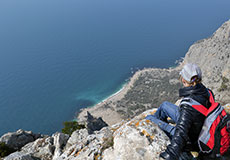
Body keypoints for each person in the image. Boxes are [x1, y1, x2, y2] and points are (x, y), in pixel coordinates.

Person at [145, 63, 218, 160]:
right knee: (164, 105)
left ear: (183, 80)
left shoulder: (188, 106)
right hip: (199, 125)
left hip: (191, 139)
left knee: (148, 119)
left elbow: (181, 132)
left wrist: (170, 154)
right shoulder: (207, 91)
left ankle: (163, 133)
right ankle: (162, 128)